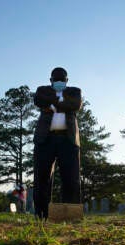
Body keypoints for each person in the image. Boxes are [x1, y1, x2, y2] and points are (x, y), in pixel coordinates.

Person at [33, 67, 82, 220]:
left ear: (67, 80)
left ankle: (71, 216)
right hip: (45, 138)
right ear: (51, 80)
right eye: (56, 79)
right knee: (42, 177)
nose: (59, 82)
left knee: (71, 177)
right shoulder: (42, 89)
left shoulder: (74, 91)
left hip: (68, 139)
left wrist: (52, 106)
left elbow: (75, 104)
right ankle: (42, 215)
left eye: (62, 79)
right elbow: (38, 100)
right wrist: (62, 103)